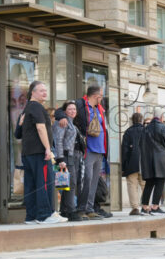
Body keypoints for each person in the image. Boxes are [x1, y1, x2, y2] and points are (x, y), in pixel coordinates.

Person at [56, 85, 108, 220]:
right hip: (87, 150)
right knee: (83, 180)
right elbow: (62, 109)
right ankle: (78, 209)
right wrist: (62, 115)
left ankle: (89, 208)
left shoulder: (99, 109)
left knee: (93, 181)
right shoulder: (80, 103)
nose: (102, 98)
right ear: (97, 96)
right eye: (101, 96)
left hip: (100, 150)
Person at [21, 81, 64, 224]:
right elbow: (41, 128)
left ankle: (31, 216)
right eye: (41, 90)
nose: (44, 93)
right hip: (39, 152)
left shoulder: (27, 108)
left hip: (28, 153)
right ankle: (45, 215)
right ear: (32, 93)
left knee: (32, 185)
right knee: (44, 183)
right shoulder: (37, 107)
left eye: (45, 90)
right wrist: (47, 148)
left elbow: (18, 133)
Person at [52, 100, 84, 222]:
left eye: (74, 109)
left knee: (66, 183)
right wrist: (60, 158)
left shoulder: (71, 123)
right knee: (69, 184)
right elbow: (58, 140)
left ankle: (65, 210)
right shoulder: (63, 122)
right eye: (70, 109)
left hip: (71, 156)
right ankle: (70, 210)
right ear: (65, 111)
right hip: (63, 157)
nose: (73, 111)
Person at [139, 107, 165, 215]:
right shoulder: (162, 127)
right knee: (160, 182)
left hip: (148, 159)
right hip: (161, 159)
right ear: (161, 117)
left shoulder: (146, 128)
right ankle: (155, 206)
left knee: (149, 183)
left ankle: (144, 206)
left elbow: (141, 144)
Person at [121, 113, 146, 216]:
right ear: (141, 120)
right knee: (145, 185)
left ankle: (135, 208)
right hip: (145, 164)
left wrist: (123, 166)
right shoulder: (146, 131)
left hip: (132, 163)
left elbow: (124, 151)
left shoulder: (128, 132)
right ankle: (146, 206)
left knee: (132, 185)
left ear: (132, 120)